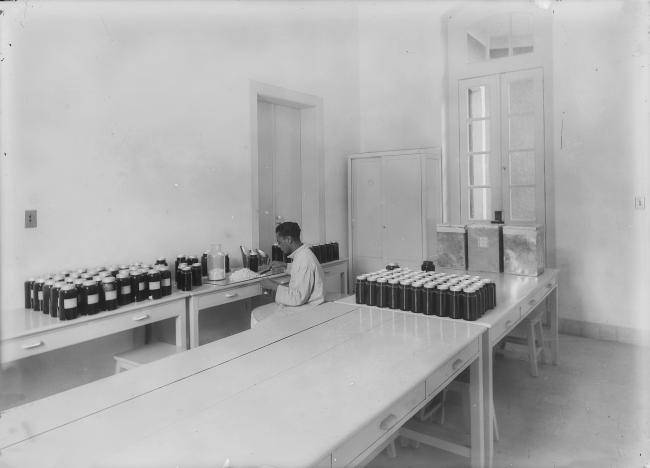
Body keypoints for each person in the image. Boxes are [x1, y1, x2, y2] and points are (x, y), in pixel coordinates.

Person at [250, 221, 325, 327]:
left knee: (260, 323)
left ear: (289, 240)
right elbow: (300, 271)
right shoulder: (303, 254)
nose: (279, 246)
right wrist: (285, 265)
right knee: (260, 316)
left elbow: (298, 298)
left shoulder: (305, 260)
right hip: (305, 303)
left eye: (279, 242)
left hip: (308, 308)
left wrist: (273, 285)